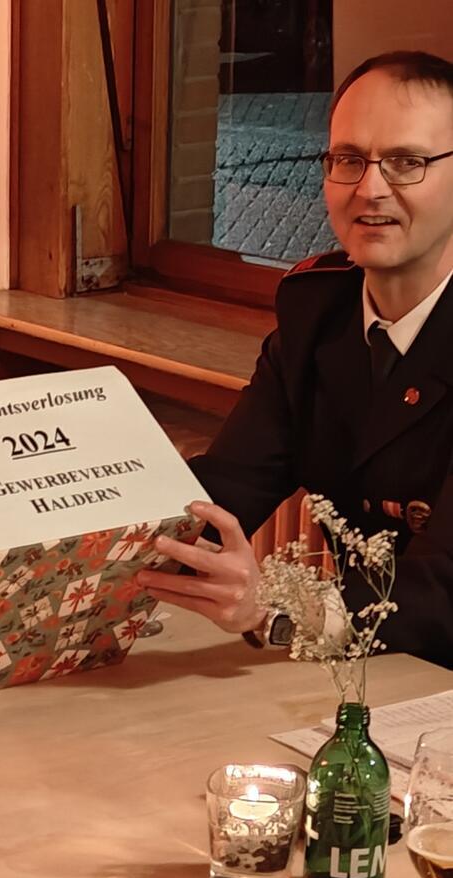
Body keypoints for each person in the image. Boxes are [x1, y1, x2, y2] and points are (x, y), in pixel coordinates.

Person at [138, 51, 453, 666]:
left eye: (407, 162)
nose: (371, 188)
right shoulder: (318, 313)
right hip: (366, 677)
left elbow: (445, 590)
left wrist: (282, 607)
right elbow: (224, 491)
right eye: (349, 160)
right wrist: (66, 528)